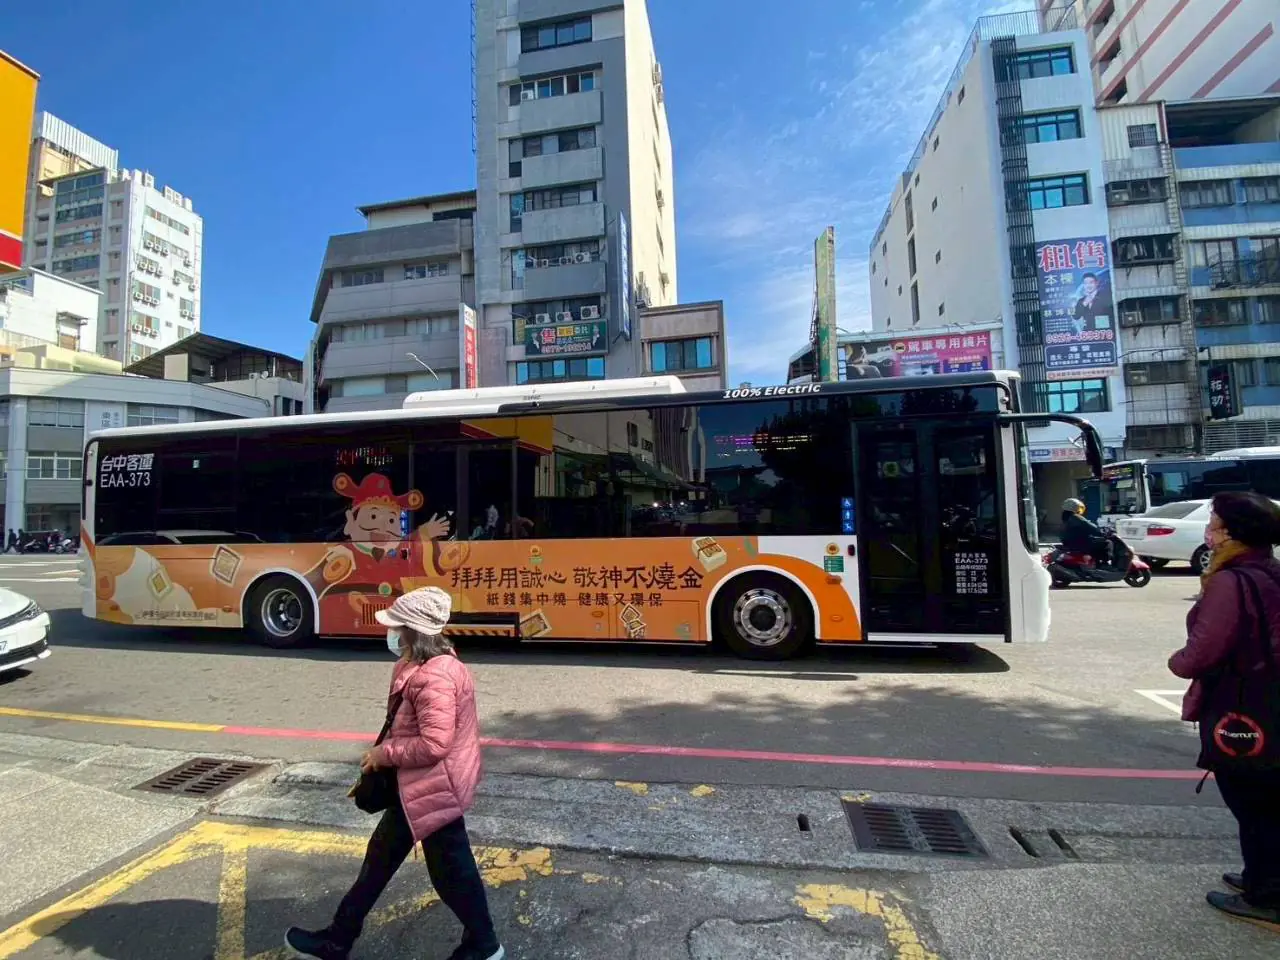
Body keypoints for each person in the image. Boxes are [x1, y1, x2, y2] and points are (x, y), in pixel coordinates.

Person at [285, 587, 503, 960]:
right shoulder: (419, 665)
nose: (391, 632)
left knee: (450, 873)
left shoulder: (434, 677)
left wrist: (384, 754)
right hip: (420, 786)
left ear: (413, 631)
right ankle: (337, 940)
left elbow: (435, 744)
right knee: (383, 860)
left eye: (397, 625)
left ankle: (484, 945)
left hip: (435, 786)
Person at [1169, 491, 1280, 931]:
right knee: (1266, 793)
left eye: (1213, 523)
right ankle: (1261, 876)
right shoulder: (1267, 570)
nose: (1208, 531)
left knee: (1250, 797)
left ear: (1231, 534)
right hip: (1268, 697)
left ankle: (1268, 895)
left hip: (1242, 703)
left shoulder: (1230, 582)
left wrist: (1175, 662)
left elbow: (1201, 653)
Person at [1059, 498, 1110, 566]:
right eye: (1079, 508)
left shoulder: (1066, 517)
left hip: (1071, 543)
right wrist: (1103, 533)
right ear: (1075, 508)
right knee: (1108, 543)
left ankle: (1096, 562)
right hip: (1080, 544)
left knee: (1097, 541)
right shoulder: (1076, 517)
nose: (1080, 510)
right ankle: (1104, 564)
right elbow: (1092, 528)